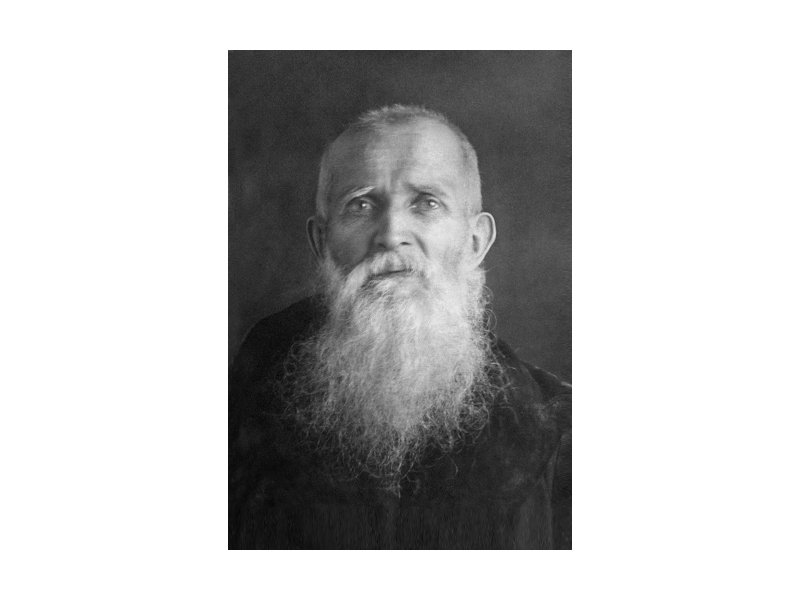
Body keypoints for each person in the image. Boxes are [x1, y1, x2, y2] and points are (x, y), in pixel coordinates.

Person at [229, 105, 571, 549]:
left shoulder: (557, 428)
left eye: (426, 203)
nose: (391, 234)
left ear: (475, 242)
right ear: (321, 242)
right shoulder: (248, 387)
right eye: (361, 205)